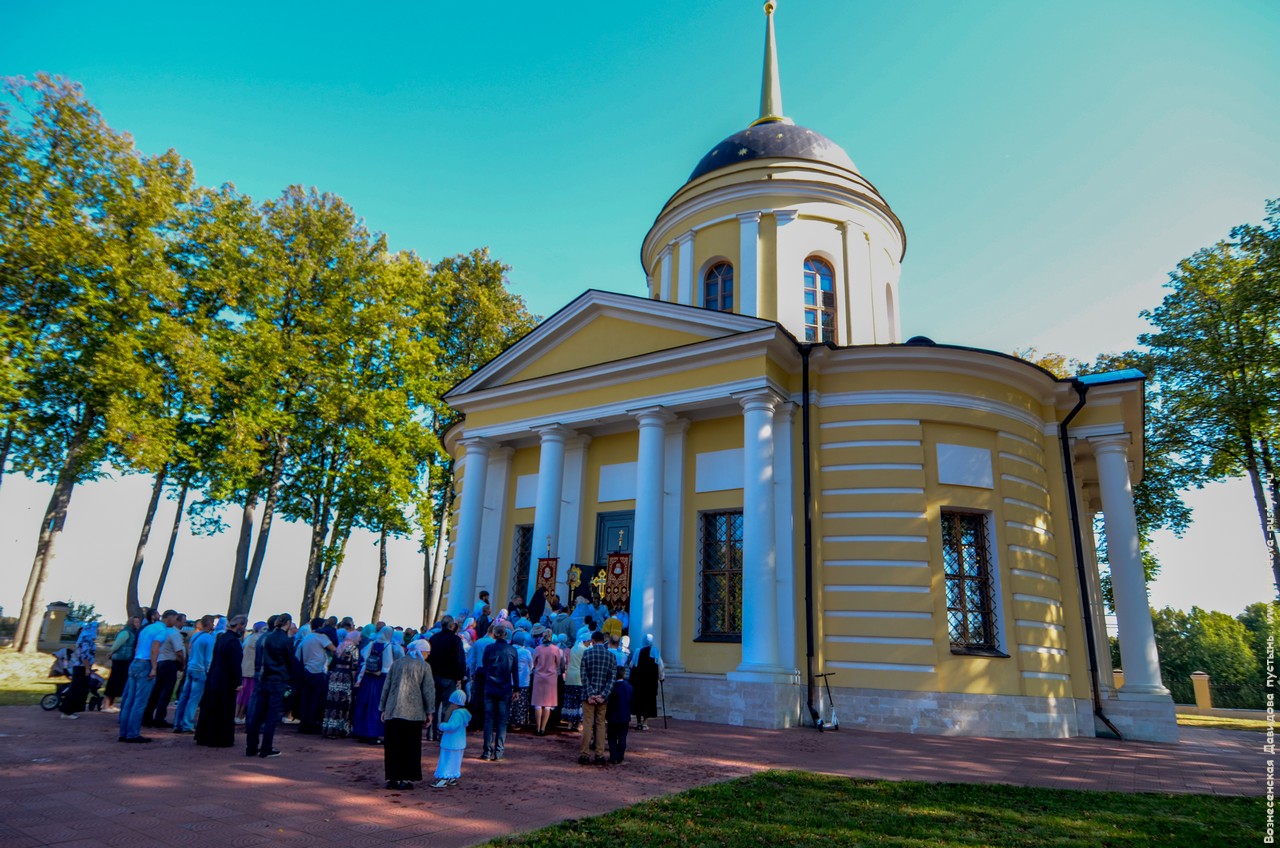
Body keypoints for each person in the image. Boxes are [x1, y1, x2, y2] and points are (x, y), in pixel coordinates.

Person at [379, 640, 435, 790]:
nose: (428, 655)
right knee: (410, 747)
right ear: (422, 651)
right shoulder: (424, 666)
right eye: (427, 652)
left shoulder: (396, 664)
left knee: (392, 746)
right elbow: (428, 691)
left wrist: (383, 707)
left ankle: (392, 778)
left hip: (393, 710)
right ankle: (405, 778)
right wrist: (430, 711)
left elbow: (387, 686)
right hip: (413, 713)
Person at [118, 609, 179, 743]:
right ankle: (133, 734)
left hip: (136, 662)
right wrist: (154, 668)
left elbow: (137, 646)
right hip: (146, 664)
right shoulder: (162, 631)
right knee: (140, 702)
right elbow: (155, 648)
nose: (175, 622)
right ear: (169, 618)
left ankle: (124, 732)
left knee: (130, 700)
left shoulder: (147, 628)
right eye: (175, 619)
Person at [245, 613, 293, 759]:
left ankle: (251, 747)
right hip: (277, 679)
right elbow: (289, 660)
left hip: (263, 678)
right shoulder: (285, 640)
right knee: (271, 715)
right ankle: (266, 748)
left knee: (257, 714)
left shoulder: (264, 637)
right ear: (288, 623)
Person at [195, 615, 246, 748]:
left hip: (214, 677)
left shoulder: (221, 638)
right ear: (240, 625)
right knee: (223, 710)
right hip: (226, 681)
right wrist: (238, 682)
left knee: (211, 709)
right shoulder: (234, 642)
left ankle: (205, 735)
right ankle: (220, 738)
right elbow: (235, 664)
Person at [353, 626, 399, 742]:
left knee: (364, 705)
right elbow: (388, 666)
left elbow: (364, 658)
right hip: (380, 680)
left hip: (368, 678)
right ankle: (372, 734)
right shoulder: (389, 646)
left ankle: (361, 732)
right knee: (376, 707)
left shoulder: (371, 644)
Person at [480, 626, 519, 761]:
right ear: (505, 635)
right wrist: (517, 689)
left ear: (495, 635)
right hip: (505, 688)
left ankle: (487, 752)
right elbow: (515, 671)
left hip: (491, 686)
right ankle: (499, 752)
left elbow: (484, 665)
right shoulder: (512, 650)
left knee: (489, 720)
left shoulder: (489, 648)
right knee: (502, 721)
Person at [174, 614, 217, 733]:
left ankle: (178, 723)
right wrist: (208, 672)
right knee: (194, 698)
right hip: (200, 670)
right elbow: (208, 658)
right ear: (209, 624)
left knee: (184, 696)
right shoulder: (209, 639)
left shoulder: (195, 636)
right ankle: (187, 724)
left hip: (191, 667)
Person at [143, 612, 186, 728]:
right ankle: (159, 718)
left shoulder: (163, 631)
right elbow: (179, 652)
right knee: (166, 692)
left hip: (160, 662)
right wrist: (183, 664)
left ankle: (147, 716)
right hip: (169, 663)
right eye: (182, 621)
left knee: (156, 691)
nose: (184, 623)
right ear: (175, 620)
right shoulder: (174, 633)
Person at [578, 631, 614, 766]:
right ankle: (599, 755)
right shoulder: (610, 656)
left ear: (593, 640)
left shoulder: (587, 654)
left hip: (589, 696)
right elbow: (612, 678)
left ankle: (584, 754)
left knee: (587, 724)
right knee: (600, 725)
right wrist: (603, 695)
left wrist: (591, 693)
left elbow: (583, 675)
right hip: (602, 698)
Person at [427, 616, 466, 741]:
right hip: (448, 677)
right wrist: (459, 676)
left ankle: (431, 732)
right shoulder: (455, 640)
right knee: (447, 706)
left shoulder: (434, 638)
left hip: (434, 675)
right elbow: (459, 659)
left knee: (434, 705)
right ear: (451, 626)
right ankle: (442, 732)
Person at [296, 617, 335, 734]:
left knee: (305, 698)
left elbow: (298, 655)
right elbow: (334, 649)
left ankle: (303, 722)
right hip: (318, 670)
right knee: (316, 699)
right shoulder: (321, 637)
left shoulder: (306, 638)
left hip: (306, 670)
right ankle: (312, 723)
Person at [322, 628, 361, 738]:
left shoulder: (340, 646)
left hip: (335, 675)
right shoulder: (353, 648)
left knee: (332, 702)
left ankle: (329, 728)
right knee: (343, 703)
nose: (360, 639)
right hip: (345, 676)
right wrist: (354, 681)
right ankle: (340, 729)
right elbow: (354, 666)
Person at [431, 689, 470, 789]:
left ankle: (443, 778)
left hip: (451, 743)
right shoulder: (463, 714)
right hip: (459, 743)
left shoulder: (457, 714)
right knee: (455, 761)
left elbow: (452, 726)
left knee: (446, 761)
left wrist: (442, 726)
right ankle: (452, 777)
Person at [60, 620, 98, 719]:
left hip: (81, 667)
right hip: (82, 667)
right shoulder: (86, 640)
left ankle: (71, 710)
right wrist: (87, 668)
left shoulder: (85, 639)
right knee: (76, 690)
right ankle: (67, 711)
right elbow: (84, 655)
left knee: (79, 690)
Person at [104, 615, 140, 712]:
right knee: (114, 681)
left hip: (126, 660)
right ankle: (106, 705)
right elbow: (116, 645)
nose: (137, 624)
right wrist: (111, 652)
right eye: (135, 622)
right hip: (120, 660)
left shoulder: (134, 633)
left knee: (120, 682)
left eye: (138, 622)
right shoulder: (126, 632)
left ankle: (111, 704)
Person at [531, 628, 563, 736]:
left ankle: (537, 727)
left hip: (539, 677)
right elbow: (558, 663)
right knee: (548, 705)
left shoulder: (538, 649)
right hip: (551, 678)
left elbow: (534, 663)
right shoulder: (555, 649)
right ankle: (543, 728)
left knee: (538, 704)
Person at [629, 633, 664, 731]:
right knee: (649, 701)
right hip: (650, 682)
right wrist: (661, 677)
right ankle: (645, 723)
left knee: (639, 701)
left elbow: (632, 665)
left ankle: (639, 722)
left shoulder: (637, 651)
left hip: (639, 681)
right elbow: (660, 666)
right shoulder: (655, 651)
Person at [236, 621, 266, 722]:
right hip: (251, 670)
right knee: (247, 694)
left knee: (242, 694)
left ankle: (237, 714)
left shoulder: (250, 637)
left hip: (244, 668)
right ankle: (240, 715)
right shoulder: (258, 639)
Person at [606, 665, 633, 765]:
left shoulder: (612, 687)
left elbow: (610, 703)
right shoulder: (629, 687)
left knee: (612, 738)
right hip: (625, 716)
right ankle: (620, 756)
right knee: (622, 738)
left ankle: (613, 757)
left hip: (613, 716)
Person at [563, 630, 589, 732]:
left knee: (570, 701)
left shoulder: (574, 648)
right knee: (579, 702)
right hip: (579, 678)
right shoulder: (584, 650)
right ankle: (579, 724)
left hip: (570, 677)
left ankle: (569, 723)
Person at [510, 630, 534, 730]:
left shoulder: (510, 649)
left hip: (510, 680)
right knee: (521, 702)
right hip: (523, 681)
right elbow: (531, 665)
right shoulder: (525, 652)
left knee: (510, 702)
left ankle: (509, 720)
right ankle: (518, 722)